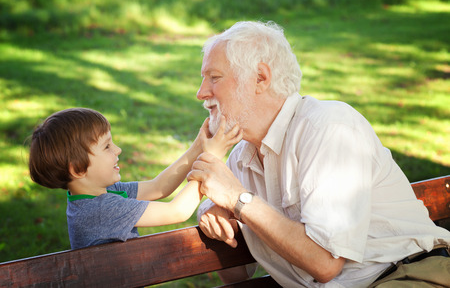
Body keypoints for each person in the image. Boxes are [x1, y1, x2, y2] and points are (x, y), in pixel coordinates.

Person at [188, 21, 450, 287]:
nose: (201, 93)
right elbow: (237, 275)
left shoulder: (329, 127)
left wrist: (238, 199)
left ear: (260, 78)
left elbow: (324, 262)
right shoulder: (241, 158)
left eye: (214, 77)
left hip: (406, 274)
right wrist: (216, 218)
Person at [28, 108, 242, 249]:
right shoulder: (102, 210)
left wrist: (198, 147)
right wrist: (211, 158)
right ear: (77, 169)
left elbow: (159, 187)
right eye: (107, 146)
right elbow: (177, 211)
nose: (118, 149)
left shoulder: (100, 194)